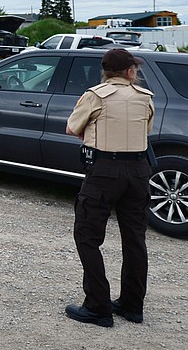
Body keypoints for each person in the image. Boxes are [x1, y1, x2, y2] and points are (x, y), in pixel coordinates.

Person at [64, 48, 155, 327]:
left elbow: (72, 128)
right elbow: (146, 131)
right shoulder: (146, 99)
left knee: (88, 236)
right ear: (129, 71)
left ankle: (98, 306)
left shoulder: (95, 96)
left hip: (104, 171)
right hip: (139, 171)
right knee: (134, 238)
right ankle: (132, 304)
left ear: (106, 72)